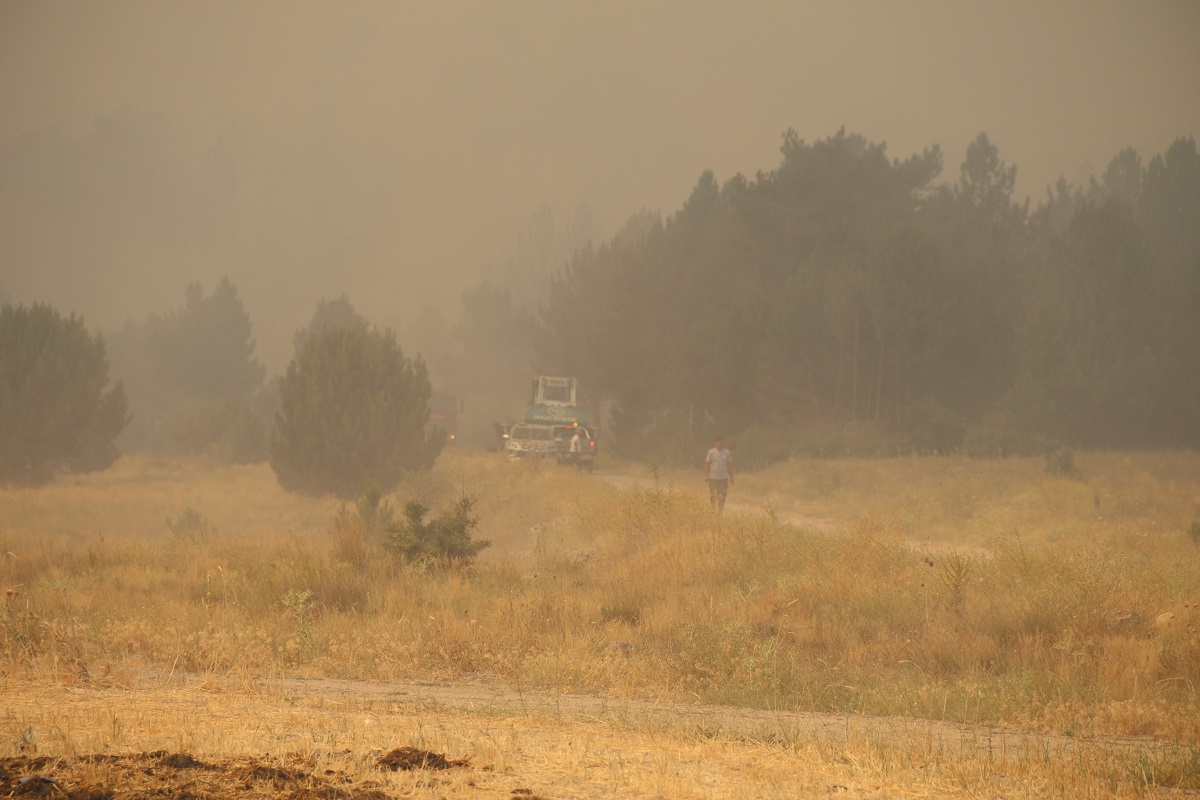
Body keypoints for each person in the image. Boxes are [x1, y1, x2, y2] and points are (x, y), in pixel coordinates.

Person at [704, 436, 733, 511]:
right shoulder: (711, 452)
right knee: (713, 495)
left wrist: (731, 476)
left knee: (722, 495)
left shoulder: (726, 452)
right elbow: (707, 464)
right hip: (713, 477)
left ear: (723, 443)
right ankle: (712, 510)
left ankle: (720, 511)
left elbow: (729, 464)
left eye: (721, 442)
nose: (719, 444)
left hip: (723, 478)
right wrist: (706, 475)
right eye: (718, 442)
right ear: (715, 443)